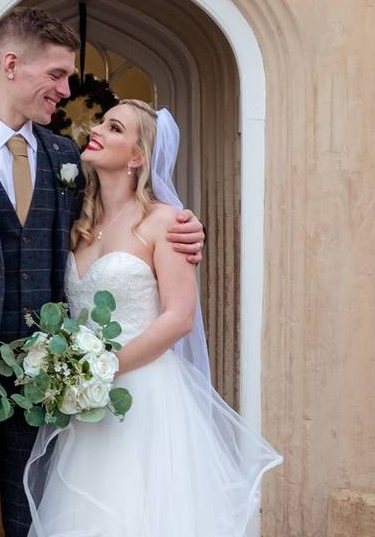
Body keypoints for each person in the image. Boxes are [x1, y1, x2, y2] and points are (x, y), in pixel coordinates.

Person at [0, 8, 206, 537]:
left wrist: (188, 227)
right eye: (56, 75)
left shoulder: (65, 159)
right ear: (12, 64)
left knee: (37, 526)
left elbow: (125, 218)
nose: (65, 89)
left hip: (46, 390)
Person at [24, 100, 282, 536]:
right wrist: (78, 378)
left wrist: (99, 369)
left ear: (138, 156)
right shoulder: (79, 223)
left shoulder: (166, 222)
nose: (98, 129)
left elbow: (179, 318)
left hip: (144, 395)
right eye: (101, 122)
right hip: (88, 404)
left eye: (115, 127)